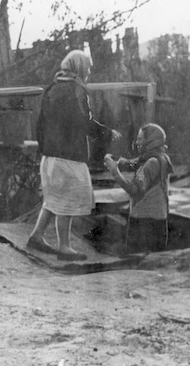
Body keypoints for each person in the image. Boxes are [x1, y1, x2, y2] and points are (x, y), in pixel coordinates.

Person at [27, 50, 122, 261]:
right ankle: (64, 247)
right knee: (67, 201)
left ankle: (36, 235)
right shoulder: (78, 90)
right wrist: (106, 132)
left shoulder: (51, 89)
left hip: (50, 157)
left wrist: (43, 149)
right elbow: (83, 122)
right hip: (68, 157)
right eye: (87, 67)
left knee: (53, 199)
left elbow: (40, 124)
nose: (89, 71)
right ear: (79, 68)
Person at [104, 123, 173, 253]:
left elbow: (133, 189)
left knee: (136, 261)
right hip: (158, 219)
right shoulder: (161, 157)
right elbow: (133, 163)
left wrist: (115, 172)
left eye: (141, 139)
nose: (137, 142)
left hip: (145, 221)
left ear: (151, 141)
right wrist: (116, 159)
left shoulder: (151, 163)